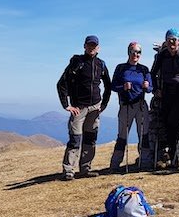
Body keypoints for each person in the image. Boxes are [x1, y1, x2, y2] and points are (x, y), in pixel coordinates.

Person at [56, 35, 112, 180]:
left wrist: (104, 104)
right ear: (84, 46)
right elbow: (61, 83)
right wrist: (66, 105)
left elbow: (108, 86)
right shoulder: (77, 62)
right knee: (75, 139)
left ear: (98, 48)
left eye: (94, 45)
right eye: (89, 45)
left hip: (95, 107)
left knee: (90, 138)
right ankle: (68, 170)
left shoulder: (101, 64)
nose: (92, 48)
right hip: (79, 108)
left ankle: (85, 169)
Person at [149, 28, 179, 168]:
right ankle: (170, 156)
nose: (172, 42)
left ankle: (172, 155)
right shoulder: (162, 55)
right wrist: (156, 89)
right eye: (169, 39)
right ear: (165, 41)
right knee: (166, 122)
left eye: (174, 39)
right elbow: (152, 73)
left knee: (174, 122)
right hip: (166, 93)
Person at [109, 41, 154, 172]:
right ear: (128, 52)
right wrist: (123, 87)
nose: (136, 54)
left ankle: (145, 163)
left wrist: (147, 87)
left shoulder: (144, 69)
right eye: (133, 51)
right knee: (122, 135)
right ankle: (115, 165)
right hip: (126, 106)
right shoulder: (121, 68)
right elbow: (113, 86)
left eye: (138, 52)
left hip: (141, 105)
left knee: (144, 134)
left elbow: (151, 88)